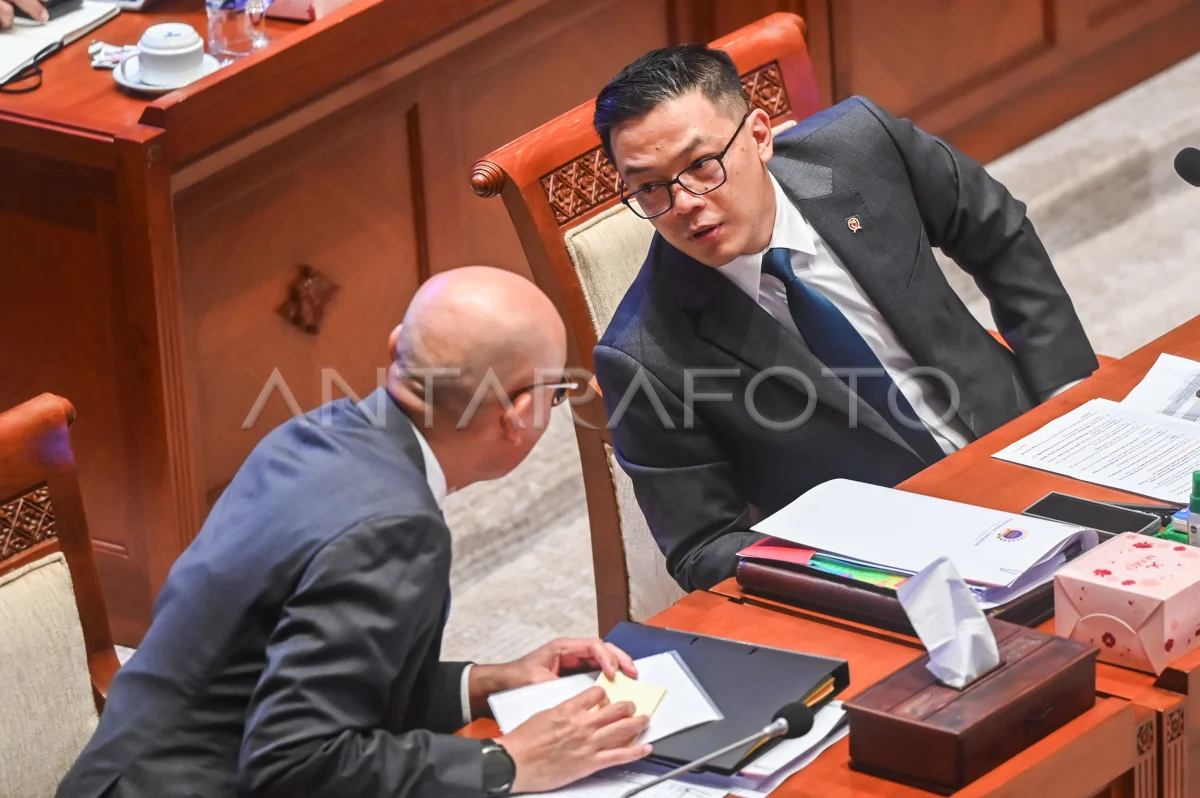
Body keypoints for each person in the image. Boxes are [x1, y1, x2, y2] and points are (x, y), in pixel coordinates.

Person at [58, 266, 653, 798]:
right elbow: (293, 764)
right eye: (556, 392)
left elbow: (302, 684)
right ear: (518, 415)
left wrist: (486, 683)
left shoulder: (313, 432)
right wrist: (509, 761)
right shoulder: (396, 531)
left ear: (397, 349)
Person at [591, 44, 1098, 592]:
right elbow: (703, 547)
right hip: (898, 566)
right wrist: (858, 566)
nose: (685, 202)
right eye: (650, 188)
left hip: (1031, 442)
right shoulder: (643, 354)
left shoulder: (862, 145)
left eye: (700, 165)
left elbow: (997, 233)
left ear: (759, 136)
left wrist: (1067, 396)